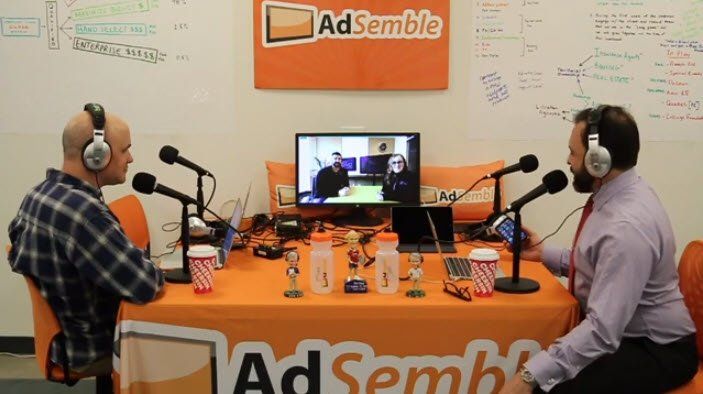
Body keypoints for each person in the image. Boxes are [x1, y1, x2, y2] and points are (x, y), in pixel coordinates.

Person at [500, 106, 698, 393]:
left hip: (657, 350)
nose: (568, 160)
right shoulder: (617, 197)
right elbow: (601, 268)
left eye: (573, 152)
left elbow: (603, 330)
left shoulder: (626, 227)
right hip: (627, 335)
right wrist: (544, 253)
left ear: (598, 161)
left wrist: (527, 376)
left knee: (549, 387)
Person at [8, 104, 164, 379]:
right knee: (196, 343)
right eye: (125, 149)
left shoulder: (37, 195)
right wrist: (156, 269)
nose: (131, 158)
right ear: (97, 155)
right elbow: (145, 285)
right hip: (94, 348)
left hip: (64, 340)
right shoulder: (84, 215)